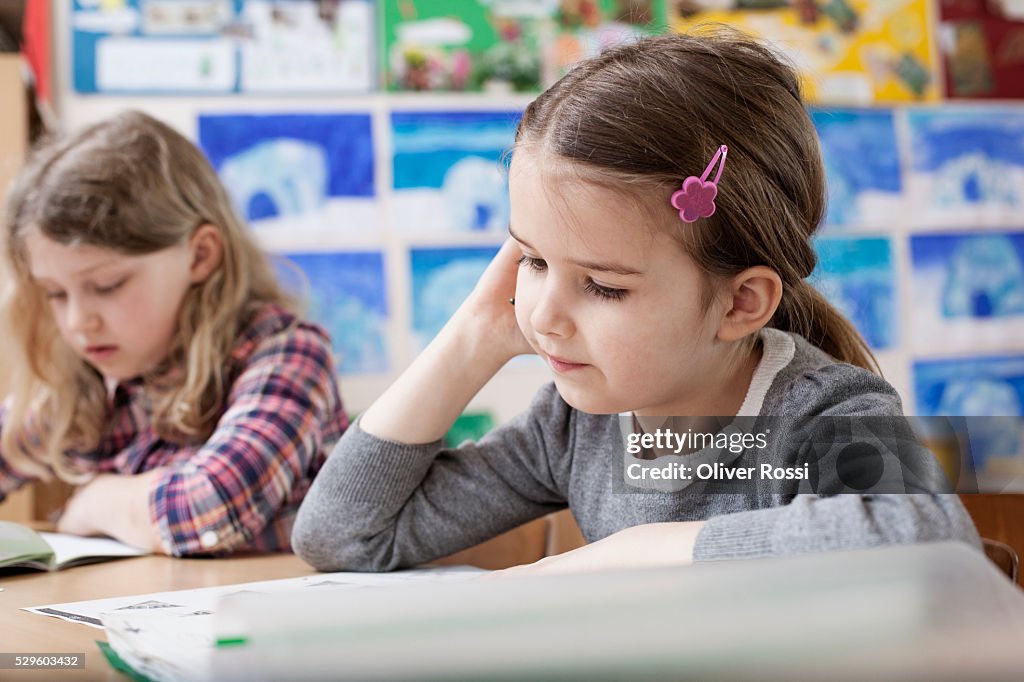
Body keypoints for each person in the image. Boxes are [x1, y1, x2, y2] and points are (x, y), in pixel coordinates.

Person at [292, 31, 979, 573]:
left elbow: (919, 532)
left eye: (603, 285)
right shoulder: (571, 429)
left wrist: (629, 552)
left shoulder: (819, 412)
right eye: (532, 260)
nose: (544, 316)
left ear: (743, 303)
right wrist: (473, 336)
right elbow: (342, 535)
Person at [0, 111, 348, 556]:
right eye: (55, 294)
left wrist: (99, 500)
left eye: (107, 286)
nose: (77, 322)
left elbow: (213, 507)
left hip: (273, 618)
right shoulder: (91, 386)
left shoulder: (287, 355)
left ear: (200, 256)